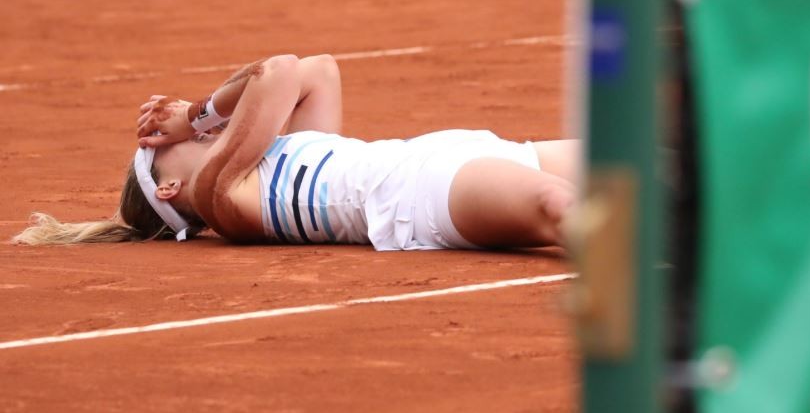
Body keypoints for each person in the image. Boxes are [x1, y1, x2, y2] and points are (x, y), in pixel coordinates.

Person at [15, 54, 578, 251]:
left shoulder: (278, 153)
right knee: (560, 205)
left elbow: (318, 71)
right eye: (165, 152)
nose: (192, 142)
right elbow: (276, 71)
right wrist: (192, 118)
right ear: (169, 190)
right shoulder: (221, 197)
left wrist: (200, 120)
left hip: (452, 153)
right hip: (421, 197)